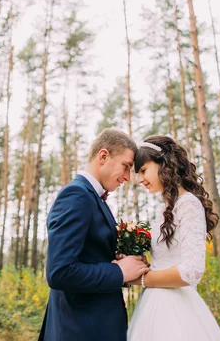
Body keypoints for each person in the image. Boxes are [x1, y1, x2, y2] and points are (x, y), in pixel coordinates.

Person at [39, 128, 150, 341]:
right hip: (79, 330)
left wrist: (122, 263)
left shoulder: (94, 198)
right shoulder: (76, 196)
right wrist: (118, 273)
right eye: (126, 166)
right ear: (103, 156)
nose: (127, 177)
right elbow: (59, 272)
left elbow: (90, 256)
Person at [127, 135, 220, 341]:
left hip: (176, 310)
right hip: (153, 305)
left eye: (143, 170)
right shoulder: (166, 209)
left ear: (164, 164)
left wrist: (140, 278)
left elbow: (192, 271)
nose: (140, 179)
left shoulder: (188, 204)